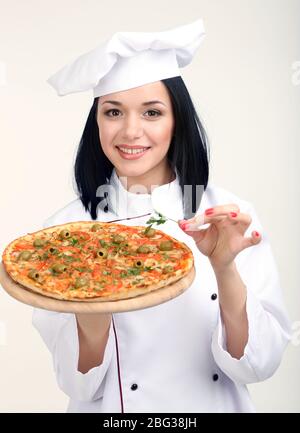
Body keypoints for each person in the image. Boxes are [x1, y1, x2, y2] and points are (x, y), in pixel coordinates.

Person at [32, 19, 291, 413]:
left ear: (177, 121)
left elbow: (258, 365)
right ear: (97, 122)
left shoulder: (230, 217)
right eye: (113, 112)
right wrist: (94, 295)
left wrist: (224, 268)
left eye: (152, 113)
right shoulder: (65, 235)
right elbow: (79, 384)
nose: (130, 131)